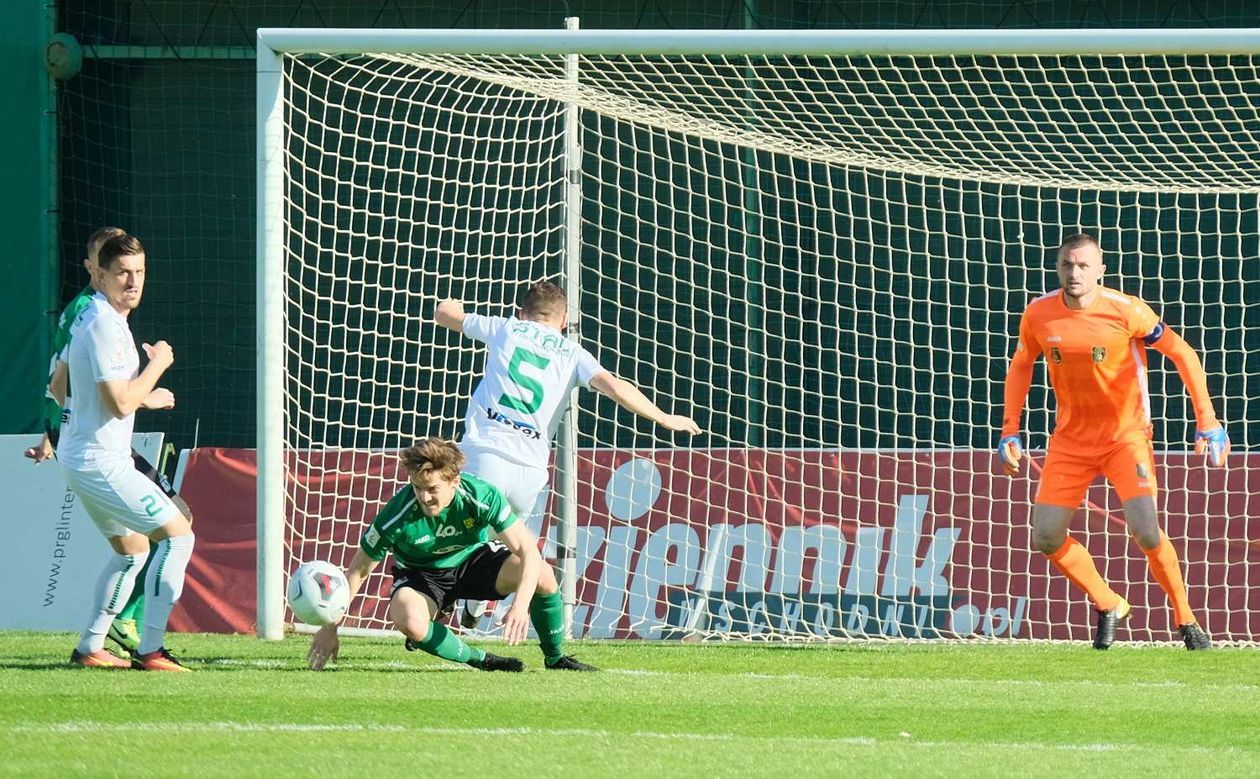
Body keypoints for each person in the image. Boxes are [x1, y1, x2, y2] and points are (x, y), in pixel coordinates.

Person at [999, 233, 1229, 651]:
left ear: (1100, 271)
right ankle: (1109, 604)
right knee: (1046, 538)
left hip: (1126, 438)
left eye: (1084, 265)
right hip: (1071, 441)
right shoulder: (1039, 314)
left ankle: (1186, 619)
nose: (1075, 273)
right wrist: (1009, 429)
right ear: (1057, 268)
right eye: (1068, 265)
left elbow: (1183, 354)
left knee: (1146, 531)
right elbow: (1020, 367)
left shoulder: (1127, 310)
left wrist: (1208, 420)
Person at [434, 281, 701, 628]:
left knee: (456, 533)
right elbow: (616, 387)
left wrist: (449, 303)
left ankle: (441, 599)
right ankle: (477, 606)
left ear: (522, 313)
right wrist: (665, 417)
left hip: (486, 456)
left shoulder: (506, 327)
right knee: (514, 545)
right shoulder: (572, 352)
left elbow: (445, 315)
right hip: (530, 471)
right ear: (563, 322)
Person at [24, 226, 193, 658]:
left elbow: (65, 381)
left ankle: (92, 646)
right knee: (178, 535)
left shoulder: (96, 317)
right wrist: (158, 367)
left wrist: (58, 429)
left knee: (134, 550)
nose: (133, 281)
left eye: (139, 271)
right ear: (98, 275)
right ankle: (152, 648)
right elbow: (119, 403)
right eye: (121, 272)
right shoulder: (103, 323)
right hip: (101, 460)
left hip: (88, 456)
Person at [307, 437, 594, 672]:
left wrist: (520, 605)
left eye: (432, 489)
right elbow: (358, 571)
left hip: (472, 560)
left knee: (542, 574)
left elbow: (528, 550)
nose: (424, 497)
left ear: (455, 481)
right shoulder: (397, 514)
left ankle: (556, 658)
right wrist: (330, 627)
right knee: (409, 621)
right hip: (421, 576)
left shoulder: (481, 496)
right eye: (417, 488)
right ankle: (483, 660)